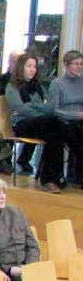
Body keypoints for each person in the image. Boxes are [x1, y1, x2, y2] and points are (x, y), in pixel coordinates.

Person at [6, 53, 67, 193]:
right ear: (21, 67)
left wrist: (34, 106)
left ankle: (51, 179)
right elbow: (20, 108)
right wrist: (41, 108)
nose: (32, 69)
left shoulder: (38, 86)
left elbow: (51, 106)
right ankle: (53, 177)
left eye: (34, 66)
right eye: (29, 66)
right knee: (56, 126)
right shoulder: (12, 86)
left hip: (43, 124)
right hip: (21, 125)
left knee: (56, 133)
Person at [48, 49, 83, 186]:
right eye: (76, 64)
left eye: (81, 64)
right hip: (64, 121)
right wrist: (77, 115)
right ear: (66, 65)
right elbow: (54, 110)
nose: (79, 67)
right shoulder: (57, 84)